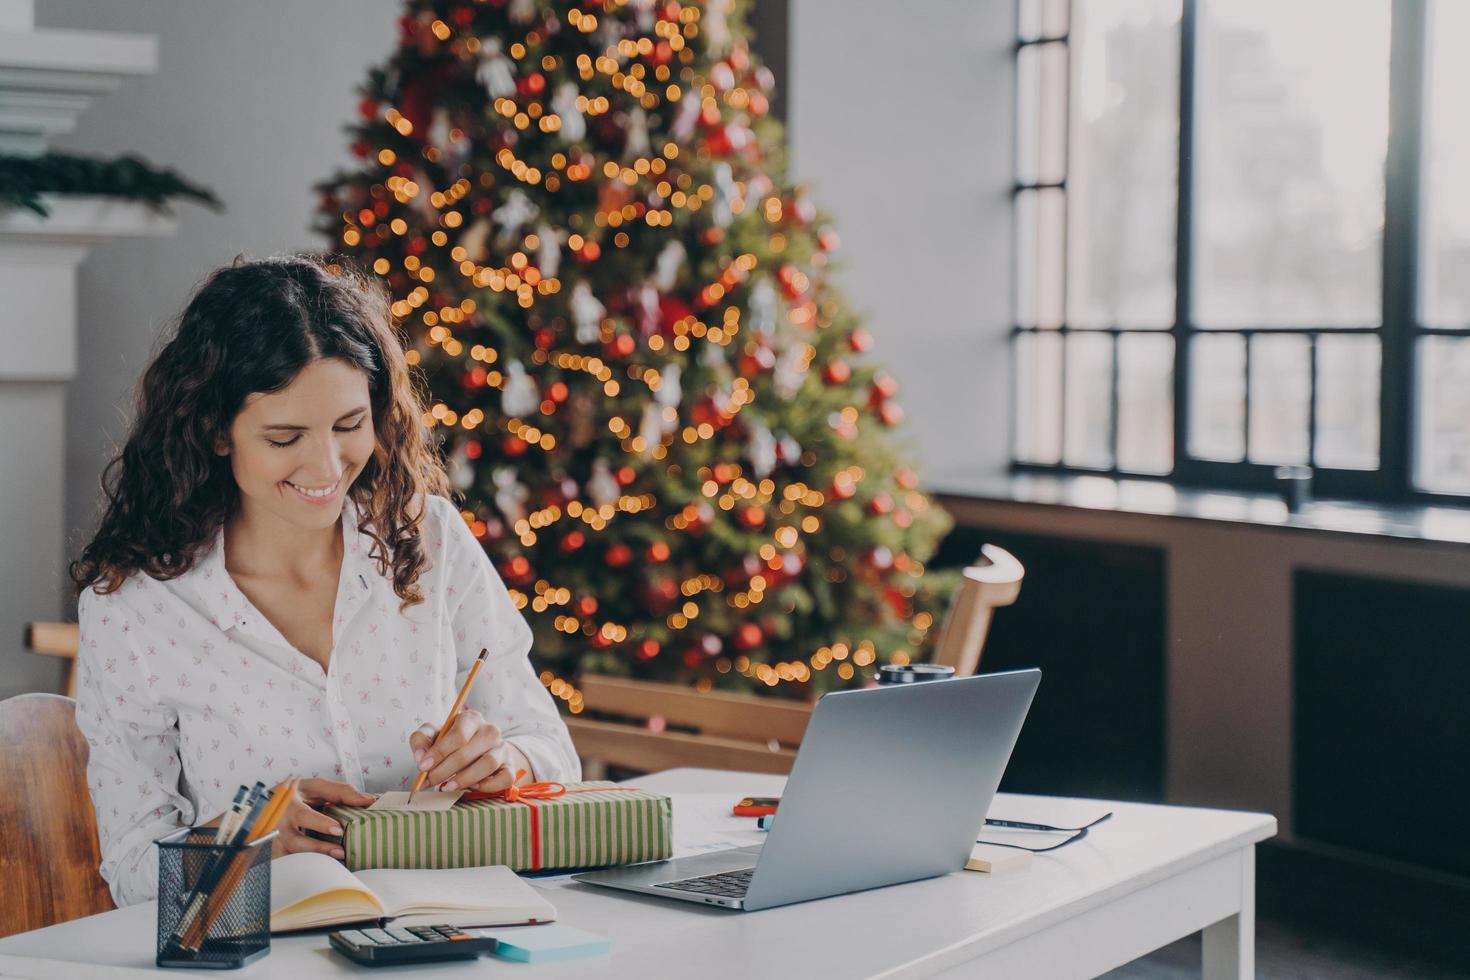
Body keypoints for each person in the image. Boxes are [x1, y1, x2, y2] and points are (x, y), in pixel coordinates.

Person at [70, 254, 579, 905]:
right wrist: (243, 842)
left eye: (349, 426)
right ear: (215, 433)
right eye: (285, 437)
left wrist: (506, 763)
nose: (327, 466)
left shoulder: (430, 539)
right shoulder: (136, 611)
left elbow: (553, 751)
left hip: (457, 932)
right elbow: (134, 871)